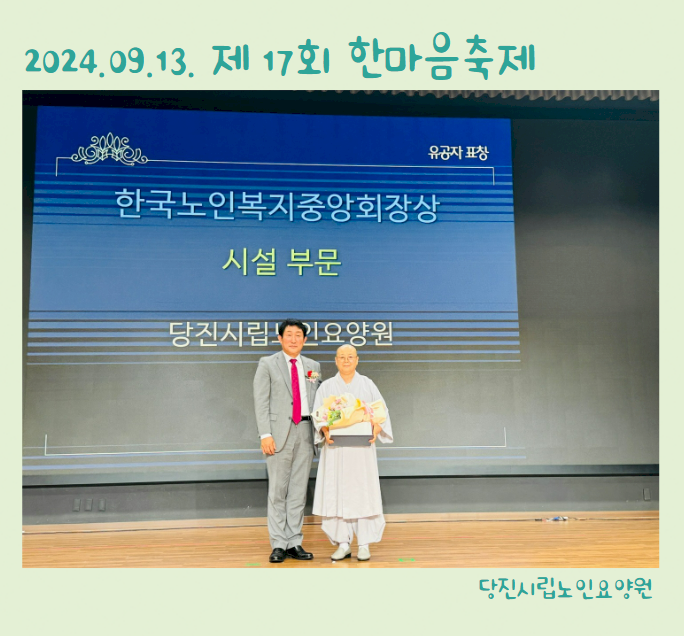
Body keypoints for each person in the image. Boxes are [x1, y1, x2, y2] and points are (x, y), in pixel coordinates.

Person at [312, 344, 393, 561]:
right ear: (336, 361)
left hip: (361, 451)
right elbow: (318, 415)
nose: (346, 360)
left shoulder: (367, 384)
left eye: (350, 357)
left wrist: (377, 427)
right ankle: (343, 543)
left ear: (357, 360)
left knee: (362, 493)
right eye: (342, 357)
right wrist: (324, 429)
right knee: (337, 492)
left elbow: (382, 411)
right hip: (336, 450)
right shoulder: (327, 387)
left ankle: (364, 544)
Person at [253, 319, 322, 563]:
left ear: (305, 339)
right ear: (280, 338)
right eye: (289, 335)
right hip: (278, 434)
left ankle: (294, 541)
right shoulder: (267, 363)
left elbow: (318, 400)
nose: (294, 339)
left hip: (305, 431)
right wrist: (265, 434)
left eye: (298, 335)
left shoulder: (313, 366)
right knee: (277, 491)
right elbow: (261, 401)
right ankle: (278, 544)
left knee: (298, 491)